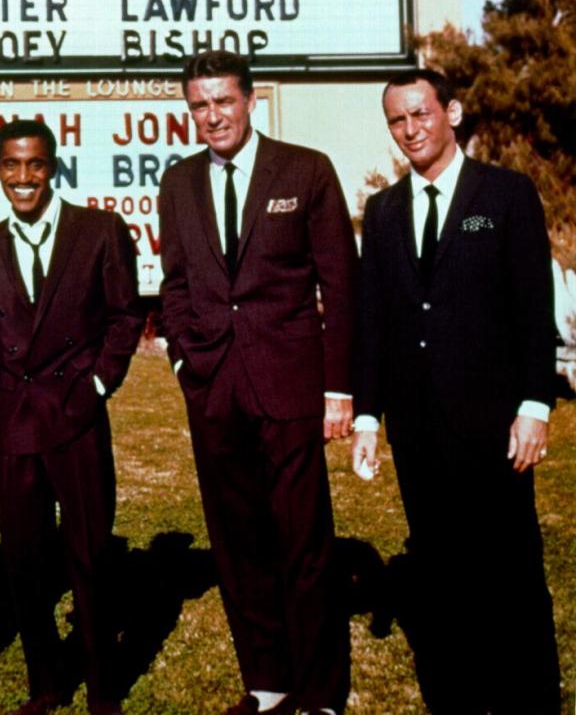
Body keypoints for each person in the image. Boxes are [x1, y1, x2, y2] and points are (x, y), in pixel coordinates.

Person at [352, 69, 560, 714]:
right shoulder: (384, 211)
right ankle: (457, 694)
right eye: (397, 120)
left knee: (511, 571)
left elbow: (533, 307)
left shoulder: (505, 194)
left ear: (453, 112)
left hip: (494, 425)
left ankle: (528, 698)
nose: (410, 130)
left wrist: (534, 405)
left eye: (421, 114)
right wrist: (366, 416)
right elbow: (374, 321)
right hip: (417, 429)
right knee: (439, 574)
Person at [159, 51, 357, 715]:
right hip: (214, 389)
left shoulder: (305, 169)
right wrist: (187, 363)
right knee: (237, 541)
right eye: (199, 105)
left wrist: (338, 389)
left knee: (303, 541)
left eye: (223, 101)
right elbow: (177, 285)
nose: (212, 116)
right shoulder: (178, 182)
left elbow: (341, 285)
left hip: (291, 385)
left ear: (250, 101)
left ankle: (321, 694)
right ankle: (268, 683)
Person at [0, 119, 145, 715]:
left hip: (77, 415)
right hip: (17, 420)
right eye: (12, 166)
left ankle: (101, 685)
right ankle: (46, 683)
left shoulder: (98, 230)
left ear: (53, 166)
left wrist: (98, 382)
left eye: (35, 165)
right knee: (24, 560)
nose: (24, 178)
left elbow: (125, 316)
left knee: (90, 553)